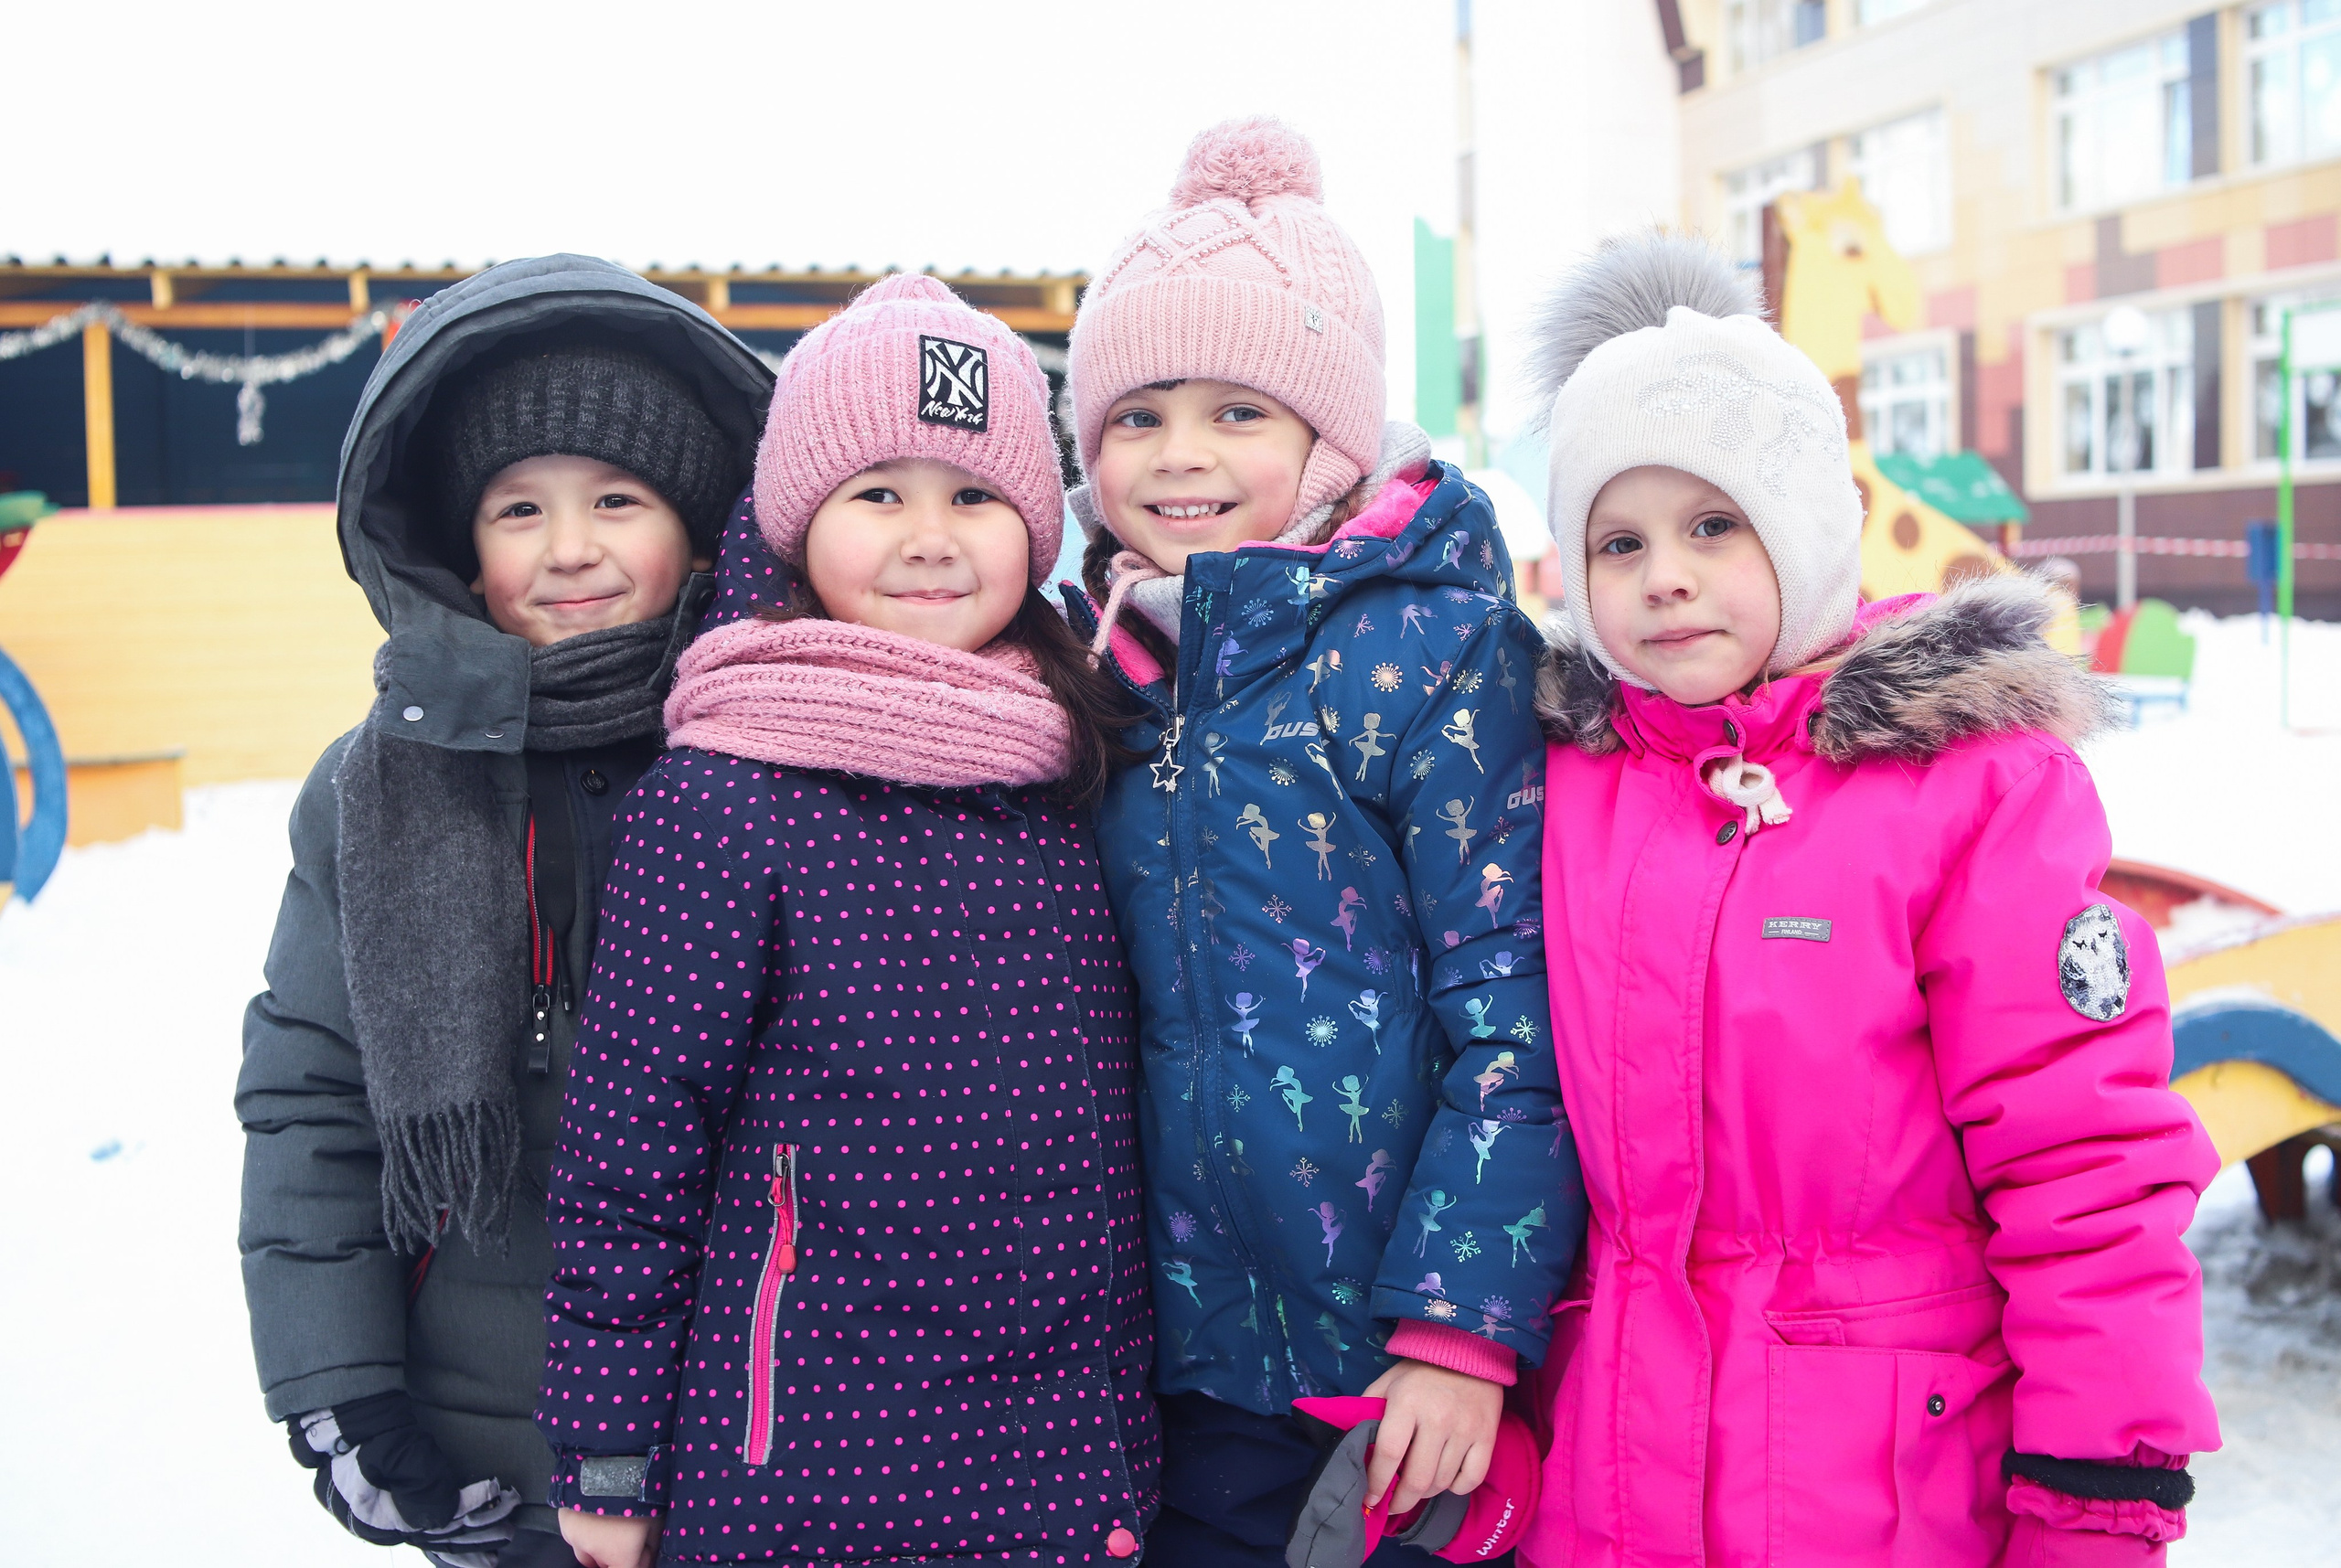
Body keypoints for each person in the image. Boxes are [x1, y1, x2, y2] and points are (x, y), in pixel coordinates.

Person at [1520, 231, 2220, 1566]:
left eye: (1712, 523)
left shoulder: (1968, 790)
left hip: (1878, 1494)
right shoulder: (1568, 783)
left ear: (1806, 525)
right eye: (1620, 539)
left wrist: (2095, 1494)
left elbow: (2083, 1157)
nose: (1665, 571)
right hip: (1611, 1485)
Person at [535, 272, 1160, 1568]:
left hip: (1062, 1469)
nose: (932, 537)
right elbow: (628, 1151)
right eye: (881, 494)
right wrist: (605, 1449)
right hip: (798, 1477)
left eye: (975, 496)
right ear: (796, 526)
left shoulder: (1073, 764)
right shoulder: (724, 795)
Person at [1059, 117, 1585, 1565]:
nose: (1181, 456)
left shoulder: (1428, 658)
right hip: (1161, 1370)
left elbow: (1517, 1015)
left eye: (1239, 412)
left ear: (1331, 440)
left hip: (1392, 1374)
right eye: (1138, 414)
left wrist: (1463, 1329)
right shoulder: (1092, 677)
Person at [235, 254, 771, 1568]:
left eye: (618, 498)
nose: (571, 547)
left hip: (759, 1435)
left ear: (701, 529)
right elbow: (312, 1094)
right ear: (466, 551)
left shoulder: (777, 759)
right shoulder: (370, 791)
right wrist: (339, 1390)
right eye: (520, 506)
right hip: (494, 1448)